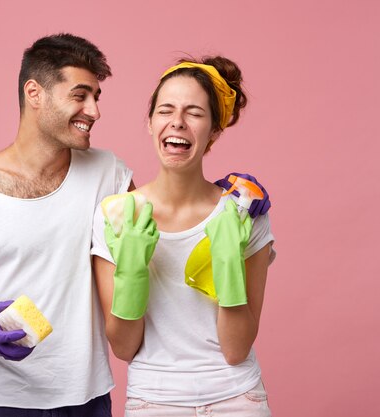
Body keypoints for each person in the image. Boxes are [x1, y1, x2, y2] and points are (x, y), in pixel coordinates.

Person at [0, 33, 271, 416]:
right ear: (35, 93)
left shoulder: (107, 174)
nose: (93, 111)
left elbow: (167, 204)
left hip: (87, 397)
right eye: (80, 96)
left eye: (96, 97)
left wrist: (233, 199)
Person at [92, 56, 276, 416]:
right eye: (165, 110)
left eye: (194, 112)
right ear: (149, 122)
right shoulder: (115, 217)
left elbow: (236, 349)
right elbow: (124, 348)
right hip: (153, 401)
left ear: (214, 131)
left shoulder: (243, 214)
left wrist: (226, 262)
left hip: (238, 399)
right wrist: (132, 268)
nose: (177, 121)